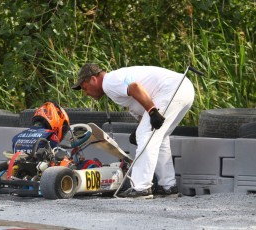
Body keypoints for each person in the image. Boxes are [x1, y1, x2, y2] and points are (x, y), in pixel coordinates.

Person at [72, 63, 195, 199]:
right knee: (158, 137)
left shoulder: (109, 82)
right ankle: (168, 186)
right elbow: (141, 104)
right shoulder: (114, 83)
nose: (86, 93)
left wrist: (152, 112)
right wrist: (142, 126)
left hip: (172, 89)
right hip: (183, 89)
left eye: (85, 88)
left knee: (147, 134)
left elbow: (135, 88)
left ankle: (141, 188)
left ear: (93, 79)